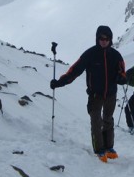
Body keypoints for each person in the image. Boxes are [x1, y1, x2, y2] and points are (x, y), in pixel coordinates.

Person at [50, 25, 127, 162]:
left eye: (107, 38)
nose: (104, 41)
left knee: (108, 119)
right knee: (96, 121)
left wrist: (121, 78)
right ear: (97, 39)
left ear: (110, 39)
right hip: (95, 95)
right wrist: (59, 82)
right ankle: (99, 149)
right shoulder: (90, 54)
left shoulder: (116, 56)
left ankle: (109, 147)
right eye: (101, 38)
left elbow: (122, 72)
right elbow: (74, 70)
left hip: (110, 94)